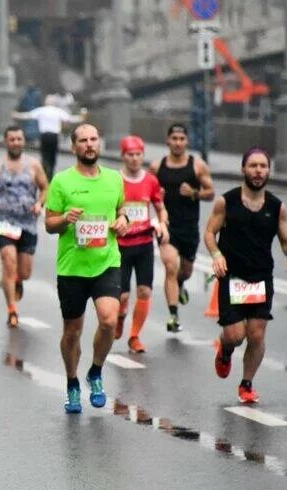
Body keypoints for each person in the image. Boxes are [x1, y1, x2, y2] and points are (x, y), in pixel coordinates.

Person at [204, 148, 287, 403]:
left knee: (257, 334)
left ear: (268, 171)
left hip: (261, 276)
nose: (258, 171)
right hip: (232, 276)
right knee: (235, 336)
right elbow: (209, 233)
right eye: (253, 166)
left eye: (263, 166)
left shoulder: (276, 207)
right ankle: (225, 350)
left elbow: (285, 239)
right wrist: (216, 256)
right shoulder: (227, 202)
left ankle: (246, 384)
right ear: (243, 170)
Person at [44, 124, 129, 414]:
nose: (90, 144)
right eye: (83, 140)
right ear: (74, 147)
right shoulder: (61, 181)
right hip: (72, 268)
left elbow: (122, 210)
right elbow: (49, 224)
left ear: (100, 144)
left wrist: (123, 221)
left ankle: (95, 371)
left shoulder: (115, 179)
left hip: (106, 262)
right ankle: (71, 383)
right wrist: (66, 218)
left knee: (108, 320)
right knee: (72, 332)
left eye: (94, 139)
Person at [149, 123, 214, 333]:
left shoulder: (197, 166)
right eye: (174, 139)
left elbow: (211, 192)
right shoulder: (157, 167)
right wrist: (156, 196)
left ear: (187, 141)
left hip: (189, 228)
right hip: (166, 227)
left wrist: (195, 193)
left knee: (185, 271)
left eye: (181, 139)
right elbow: (145, 192)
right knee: (170, 266)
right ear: (167, 141)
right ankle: (173, 316)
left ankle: (181, 284)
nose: (177, 143)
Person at [0, 125, 48, 327]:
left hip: (28, 222)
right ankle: (12, 310)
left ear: (23, 141)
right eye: (12, 139)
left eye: (19, 139)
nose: (16, 142)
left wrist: (40, 203)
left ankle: (17, 281)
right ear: (6, 142)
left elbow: (45, 187)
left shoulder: (34, 165)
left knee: (25, 272)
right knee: (8, 260)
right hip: (5, 222)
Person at [115, 136, 169, 353]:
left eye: (138, 154)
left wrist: (163, 224)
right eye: (130, 154)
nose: (135, 159)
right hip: (121, 244)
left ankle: (135, 336)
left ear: (143, 156)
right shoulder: (115, 181)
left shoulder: (151, 181)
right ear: (123, 156)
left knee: (145, 291)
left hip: (144, 243)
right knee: (122, 295)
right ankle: (120, 316)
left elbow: (160, 207)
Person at [11, 95, 83, 180]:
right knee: (52, 155)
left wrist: (16, 115)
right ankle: (50, 174)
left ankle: (44, 172)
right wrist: (81, 117)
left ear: (46, 102)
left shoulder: (41, 110)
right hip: (54, 136)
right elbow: (69, 119)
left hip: (44, 136)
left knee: (44, 154)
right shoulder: (58, 111)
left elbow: (28, 115)